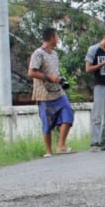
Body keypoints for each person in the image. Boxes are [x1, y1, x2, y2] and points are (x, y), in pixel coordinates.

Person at [28, 27, 75, 157]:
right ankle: (48, 150)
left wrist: (58, 79)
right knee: (47, 122)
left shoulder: (55, 54)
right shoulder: (38, 53)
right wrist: (49, 78)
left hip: (58, 91)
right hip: (44, 93)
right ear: (51, 37)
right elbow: (31, 72)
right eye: (57, 36)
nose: (58, 39)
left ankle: (61, 145)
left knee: (68, 112)